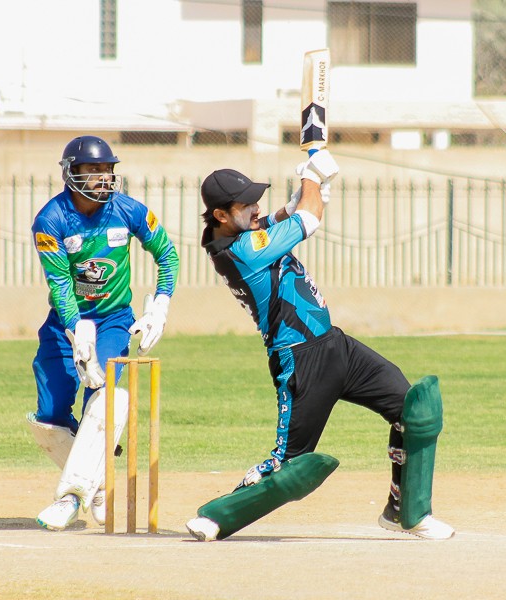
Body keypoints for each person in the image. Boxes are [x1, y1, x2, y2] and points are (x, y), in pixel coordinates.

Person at [184, 150, 454, 541]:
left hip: (335, 345)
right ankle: (218, 516)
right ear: (221, 215)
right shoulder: (241, 252)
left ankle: (404, 510)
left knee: (411, 410)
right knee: (289, 464)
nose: (256, 208)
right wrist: (311, 180)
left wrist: (298, 198)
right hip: (299, 359)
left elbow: (277, 219)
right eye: (246, 205)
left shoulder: (237, 234)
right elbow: (308, 219)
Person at [27, 135, 179, 530]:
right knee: (49, 419)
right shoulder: (51, 220)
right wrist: (77, 328)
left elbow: (167, 254)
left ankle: (70, 496)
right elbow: (60, 282)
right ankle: (96, 484)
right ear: (71, 173)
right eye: (93, 170)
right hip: (66, 322)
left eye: (107, 169)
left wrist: (160, 306)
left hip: (114, 320)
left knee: (102, 399)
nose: (103, 177)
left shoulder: (128, 210)